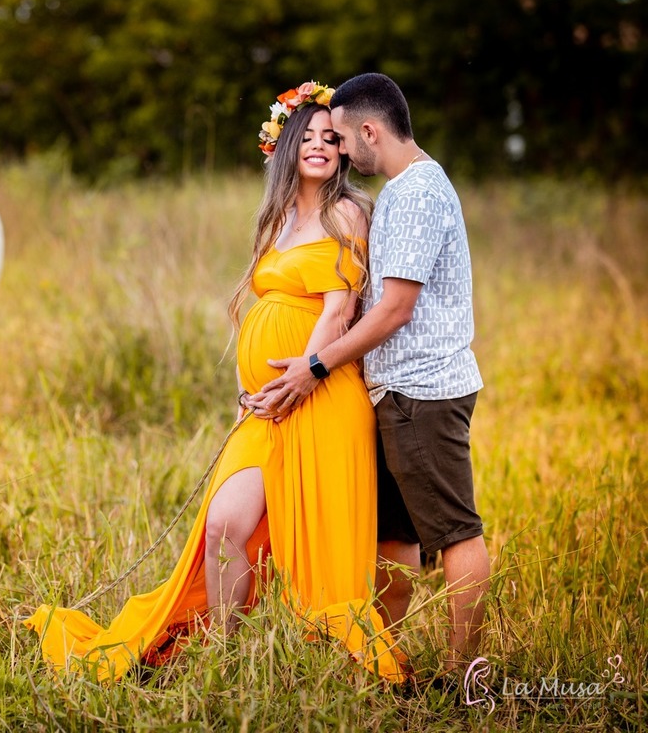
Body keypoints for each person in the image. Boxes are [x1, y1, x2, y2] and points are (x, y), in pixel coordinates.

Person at [24, 82, 407, 684]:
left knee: (316, 545)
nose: (318, 146)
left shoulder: (347, 213)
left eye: (330, 138)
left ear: (343, 150)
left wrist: (299, 379)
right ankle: (226, 653)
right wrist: (247, 392)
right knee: (225, 521)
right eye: (304, 136)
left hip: (322, 395)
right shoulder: (278, 218)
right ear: (282, 147)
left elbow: (338, 310)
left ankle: (324, 661)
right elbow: (254, 314)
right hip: (264, 406)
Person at [250, 72, 489, 675]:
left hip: (421, 391)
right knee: (396, 537)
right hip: (393, 391)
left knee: (453, 531)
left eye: (342, 138)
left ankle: (467, 676)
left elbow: (394, 310)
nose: (340, 153)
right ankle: (391, 653)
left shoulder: (413, 195)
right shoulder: (412, 189)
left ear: (368, 130)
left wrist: (314, 365)